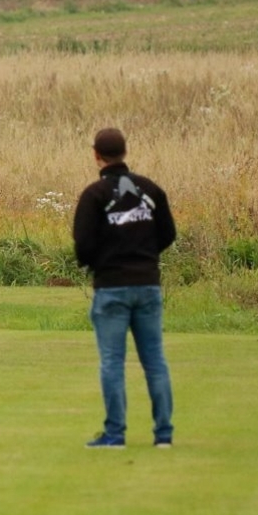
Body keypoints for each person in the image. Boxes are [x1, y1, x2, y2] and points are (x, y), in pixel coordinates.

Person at [72, 128, 177, 449]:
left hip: (112, 288)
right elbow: (168, 234)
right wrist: (144, 256)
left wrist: (103, 261)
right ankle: (163, 434)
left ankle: (115, 433)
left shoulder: (94, 196)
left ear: (96, 155)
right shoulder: (151, 190)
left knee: (112, 362)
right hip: (147, 285)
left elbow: (84, 245)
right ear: (125, 152)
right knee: (154, 360)